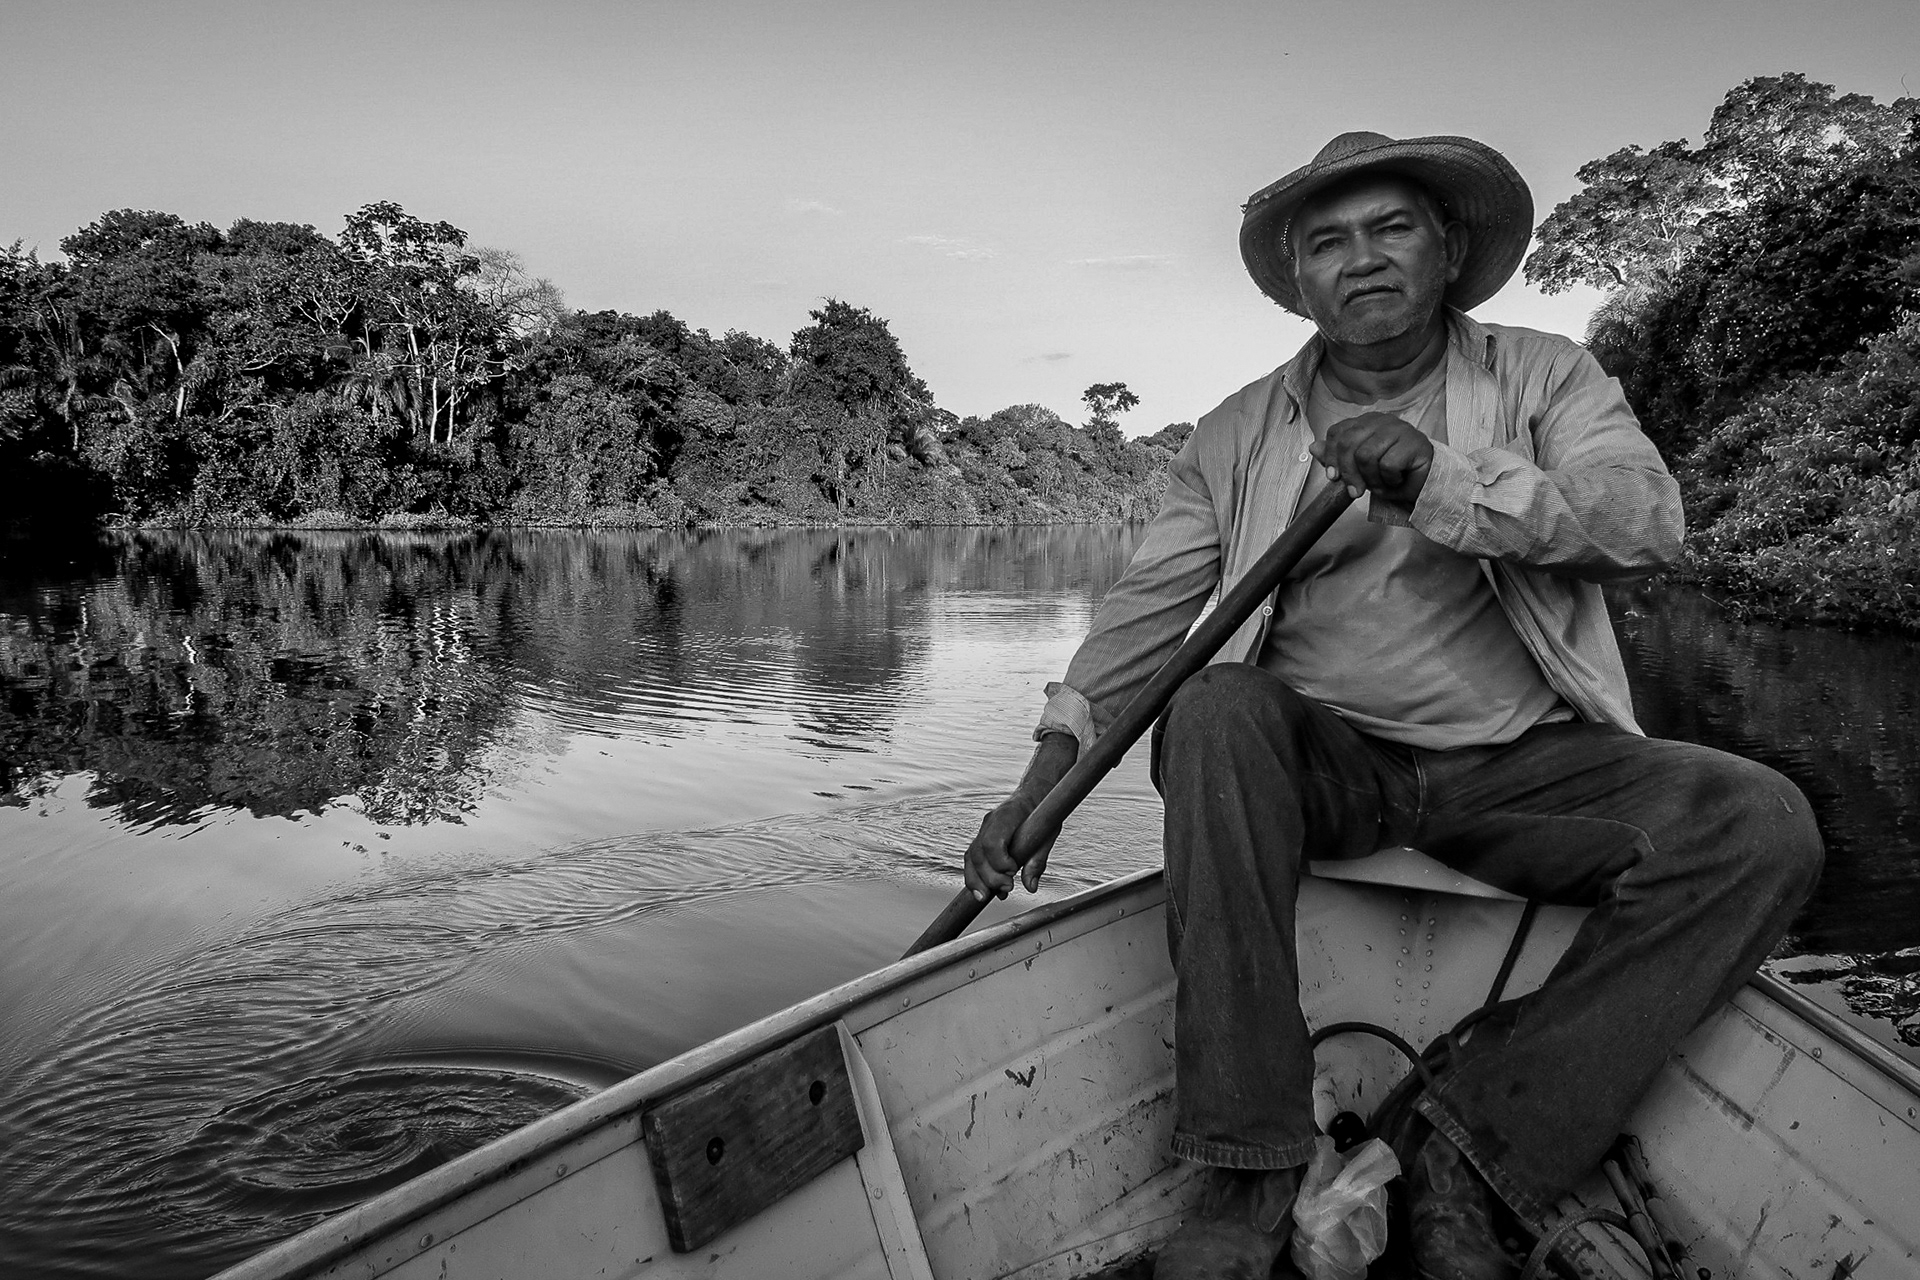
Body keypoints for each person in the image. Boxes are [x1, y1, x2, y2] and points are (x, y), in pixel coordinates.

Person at [962, 131, 1824, 1280]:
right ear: (1299, 280)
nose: (1360, 260)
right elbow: (1142, 619)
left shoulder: (1544, 376)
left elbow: (1641, 521)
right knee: (1215, 707)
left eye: (1391, 227)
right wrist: (1046, 781)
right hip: (1330, 769)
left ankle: (1470, 1144)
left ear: (1449, 246)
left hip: (1525, 766)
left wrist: (1438, 477)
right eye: (1328, 241)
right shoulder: (1234, 433)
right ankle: (1254, 1164)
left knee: (1761, 824)